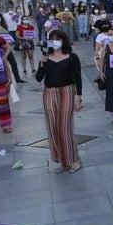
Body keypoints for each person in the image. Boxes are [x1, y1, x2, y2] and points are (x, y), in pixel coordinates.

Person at [36, 29, 83, 173]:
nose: (55, 41)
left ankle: (74, 159)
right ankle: (63, 161)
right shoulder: (46, 57)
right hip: (49, 93)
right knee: (53, 128)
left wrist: (79, 96)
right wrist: (41, 64)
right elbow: (39, 78)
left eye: (58, 38)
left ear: (64, 40)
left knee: (64, 127)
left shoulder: (72, 57)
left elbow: (78, 77)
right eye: (52, 39)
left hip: (67, 92)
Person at [0, 12, 26, 84]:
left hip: (6, 48)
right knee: (3, 65)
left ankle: (17, 79)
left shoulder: (4, 25)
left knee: (13, 64)